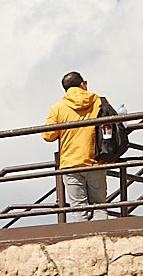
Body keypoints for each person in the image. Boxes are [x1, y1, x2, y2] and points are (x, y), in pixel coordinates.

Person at [44, 69, 109, 215]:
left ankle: (83, 237)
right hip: (96, 160)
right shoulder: (98, 101)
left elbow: (48, 135)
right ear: (83, 84)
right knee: (100, 206)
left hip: (71, 163)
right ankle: (102, 236)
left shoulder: (58, 108)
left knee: (79, 209)